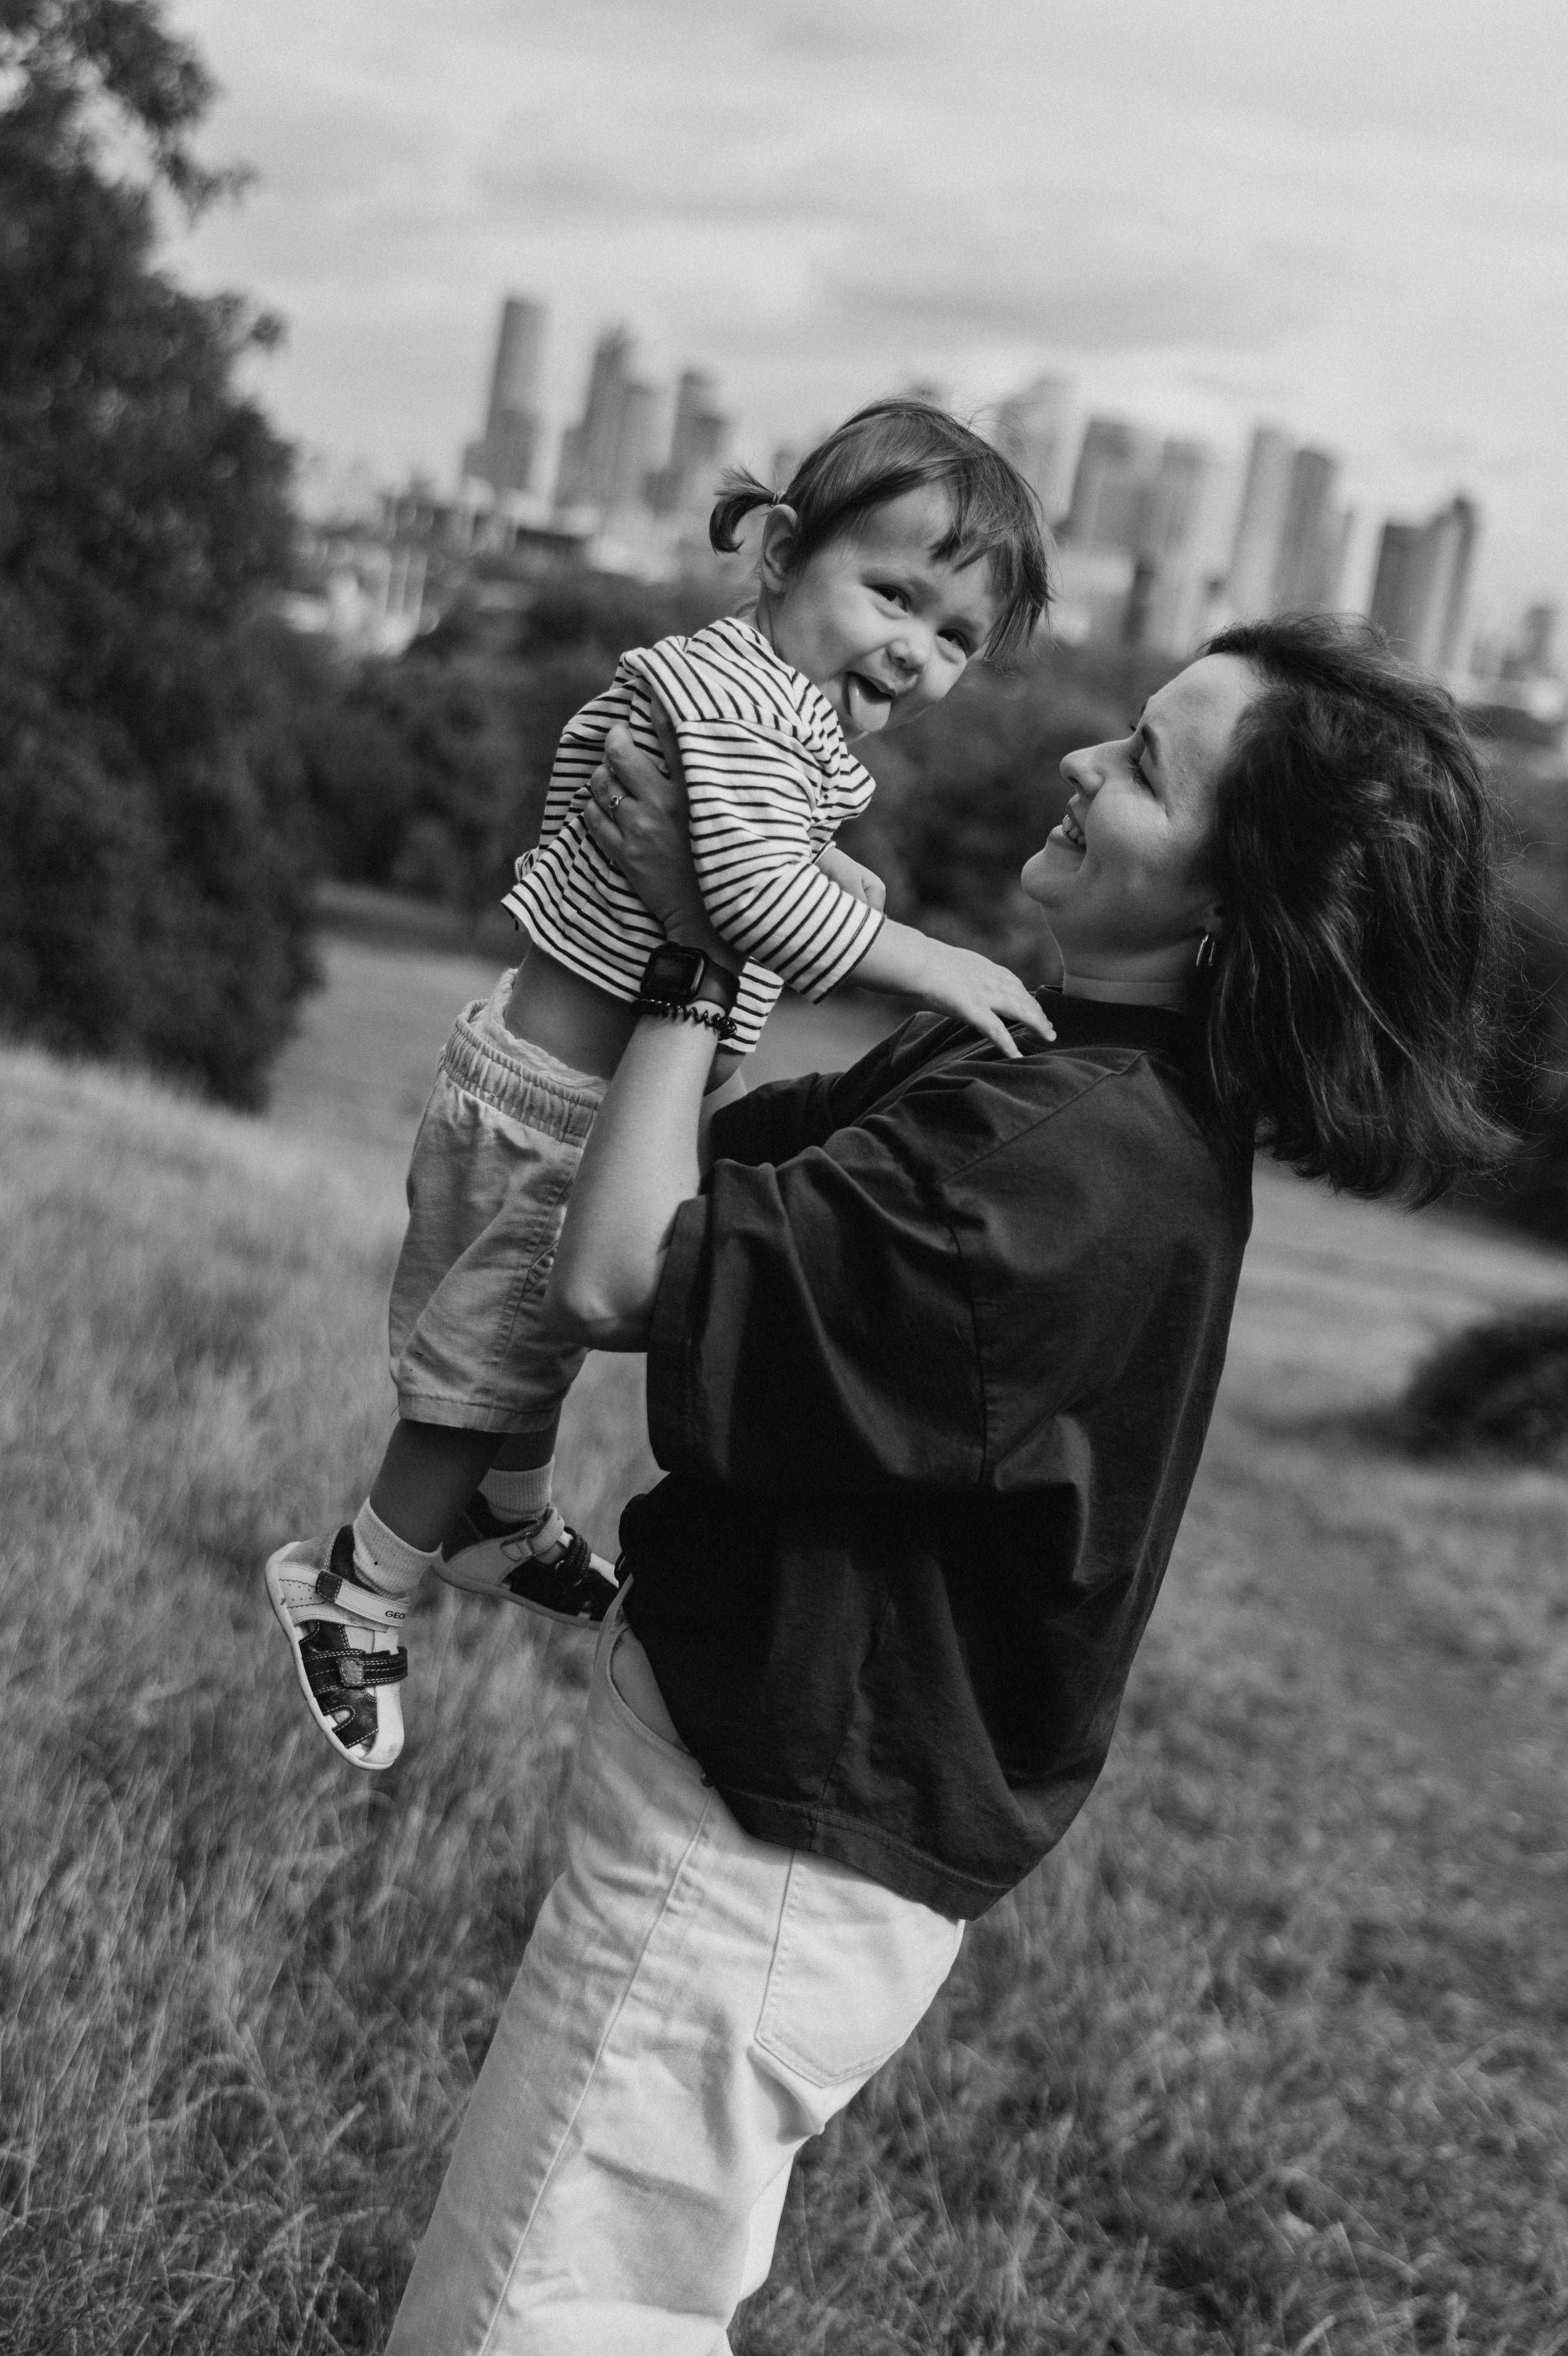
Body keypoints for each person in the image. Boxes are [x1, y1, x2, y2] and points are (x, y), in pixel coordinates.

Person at [382, 613, 1512, 2352]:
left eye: (1141, 768)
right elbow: (689, 1171)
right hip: (758, 1818)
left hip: (757, 1861)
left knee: (531, 2310)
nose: (1076, 758)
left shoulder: (1061, 1173)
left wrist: (697, 946)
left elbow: (614, 1274)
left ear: (1227, 913)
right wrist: (735, 905)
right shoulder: (1034, 1061)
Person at [264, 400, 1052, 1770]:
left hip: (574, 1091)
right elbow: (744, 892)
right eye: (892, 595)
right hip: (554, 1104)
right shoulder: (743, 706)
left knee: (533, 1348)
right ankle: (357, 1586)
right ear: (782, 554)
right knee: (479, 1374)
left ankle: (501, 1522)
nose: (914, 652)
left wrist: (842, 882)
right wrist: (926, 958)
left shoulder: (762, 696)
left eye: (953, 637)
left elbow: (761, 860)